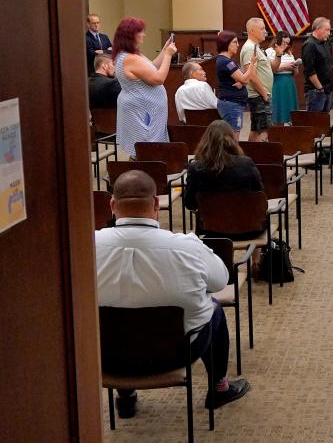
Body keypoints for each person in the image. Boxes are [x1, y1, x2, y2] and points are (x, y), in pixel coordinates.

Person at [95, 170, 250, 418]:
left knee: (118, 312)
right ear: (157, 203)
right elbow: (221, 280)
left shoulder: (86, 245)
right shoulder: (186, 246)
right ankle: (219, 387)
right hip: (173, 355)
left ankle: (125, 397)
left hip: (106, 356)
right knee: (214, 309)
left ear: (112, 206)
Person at [183, 121, 266, 238]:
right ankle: (256, 257)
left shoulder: (196, 168)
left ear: (205, 141)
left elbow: (190, 204)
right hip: (250, 229)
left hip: (211, 231)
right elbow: (260, 196)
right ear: (232, 139)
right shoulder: (246, 164)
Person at [112, 16, 174, 157]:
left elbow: (151, 67)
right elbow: (158, 78)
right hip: (142, 109)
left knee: (144, 149)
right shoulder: (130, 58)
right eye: (140, 32)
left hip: (143, 107)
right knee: (145, 148)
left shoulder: (130, 55)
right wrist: (169, 55)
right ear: (131, 35)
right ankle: (142, 175)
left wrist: (164, 50)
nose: (144, 35)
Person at [214, 30, 259, 137]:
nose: (238, 45)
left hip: (233, 103)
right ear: (226, 43)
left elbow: (245, 80)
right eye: (235, 42)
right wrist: (252, 63)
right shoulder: (226, 62)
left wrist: (242, 81)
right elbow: (244, 79)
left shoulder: (227, 61)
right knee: (233, 138)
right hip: (232, 104)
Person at [239, 18, 273, 141]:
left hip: (260, 95)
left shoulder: (256, 47)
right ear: (252, 31)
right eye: (262, 28)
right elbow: (251, 75)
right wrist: (264, 94)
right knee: (263, 131)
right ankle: (261, 159)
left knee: (257, 130)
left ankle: (252, 156)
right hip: (259, 96)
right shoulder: (249, 48)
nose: (265, 31)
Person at [301, 17, 333, 113]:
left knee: (323, 123)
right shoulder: (309, 45)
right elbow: (310, 70)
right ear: (318, 29)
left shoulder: (325, 43)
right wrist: (319, 88)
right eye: (327, 30)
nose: (329, 33)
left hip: (327, 89)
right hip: (316, 91)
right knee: (314, 124)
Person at [268, 33, 299, 125]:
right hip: (277, 82)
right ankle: (276, 132)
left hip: (289, 82)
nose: (286, 45)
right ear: (278, 40)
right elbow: (270, 69)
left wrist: (294, 67)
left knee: (289, 111)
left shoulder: (289, 53)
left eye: (288, 43)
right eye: (284, 42)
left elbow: (296, 73)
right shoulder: (270, 51)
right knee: (278, 110)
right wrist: (285, 67)